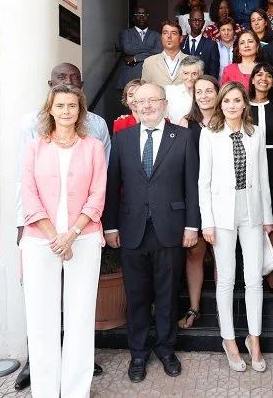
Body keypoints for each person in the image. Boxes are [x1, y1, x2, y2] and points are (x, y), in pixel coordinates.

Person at [14, 62, 110, 391]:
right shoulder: (34, 148)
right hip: (41, 241)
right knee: (42, 321)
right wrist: (56, 237)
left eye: (72, 105)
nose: (66, 110)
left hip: (83, 239)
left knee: (80, 318)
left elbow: (98, 196)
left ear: (80, 110)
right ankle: (45, 391)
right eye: (60, 106)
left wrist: (72, 234)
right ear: (50, 110)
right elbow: (29, 196)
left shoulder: (93, 147)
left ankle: (75, 391)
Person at [103, 83, 200, 383]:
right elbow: (111, 185)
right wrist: (110, 225)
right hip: (131, 230)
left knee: (168, 293)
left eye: (152, 101)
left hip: (170, 229)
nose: (146, 106)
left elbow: (192, 186)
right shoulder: (121, 139)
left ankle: (166, 349)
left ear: (164, 103)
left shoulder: (183, 137)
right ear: (134, 105)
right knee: (136, 296)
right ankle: (138, 353)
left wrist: (191, 226)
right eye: (140, 101)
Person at [199, 81, 273, 372]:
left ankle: (254, 340)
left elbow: (264, 176)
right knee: (226, 279)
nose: (232, 105)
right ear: (221, 104)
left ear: (245, 104)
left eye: (237, 100)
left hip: (251, 209)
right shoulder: (210, 135)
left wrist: (267, 215)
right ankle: (228, 339)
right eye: (226, 101)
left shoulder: (255, 133)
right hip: (221, 214)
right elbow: (203, 183)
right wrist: (207, 222)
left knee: (254, 278)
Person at [178, 75, 220, 329]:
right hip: (194, 194)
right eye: (199, 92)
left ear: (218, 92)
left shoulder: (227, 119)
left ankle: (220, 310)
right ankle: (194, 308)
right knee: (195, 253)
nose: (203, 96)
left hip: (221, 194)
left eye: (208, 91)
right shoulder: (186, 122)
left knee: (221, 254)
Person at [248, 63, 273, 294]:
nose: (263, 78)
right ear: (251, 80)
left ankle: (270, 273)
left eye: (268, 75)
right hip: (249, 165)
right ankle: (251, 272)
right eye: (258, 74)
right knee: (251, 218)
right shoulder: (241, 107)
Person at [116, 5, 162, 90]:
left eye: (144, 15)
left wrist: (136, 57)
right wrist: (150, 48)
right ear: (133, 18)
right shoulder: (125, 34)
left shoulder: (156, 35)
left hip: (151, 78)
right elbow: (128, 49)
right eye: (138, 15)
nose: (142, 17)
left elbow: (158, 51)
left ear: (148, 18)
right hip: (129, 78)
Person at [142, 20, 185, 86]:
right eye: (165, 33)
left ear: (181, 38)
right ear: (161, 37)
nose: (169, 36)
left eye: (173, 33)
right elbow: (145, 90)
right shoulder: (149, 62)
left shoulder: (192, 62)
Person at [180, 9, 220, 79]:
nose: (197, 23)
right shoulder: (181, 44)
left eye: (200, 20)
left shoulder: (211, 45)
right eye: (194, 20)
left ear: (204, 22)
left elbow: (213, 74)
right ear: (189, 22)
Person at [166, 56, 204, 124]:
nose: (189, 78)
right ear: (181, 74)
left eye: (194, 74)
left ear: (201, 74)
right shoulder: (170, 92)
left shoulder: (205, 96)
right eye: (186, 73)